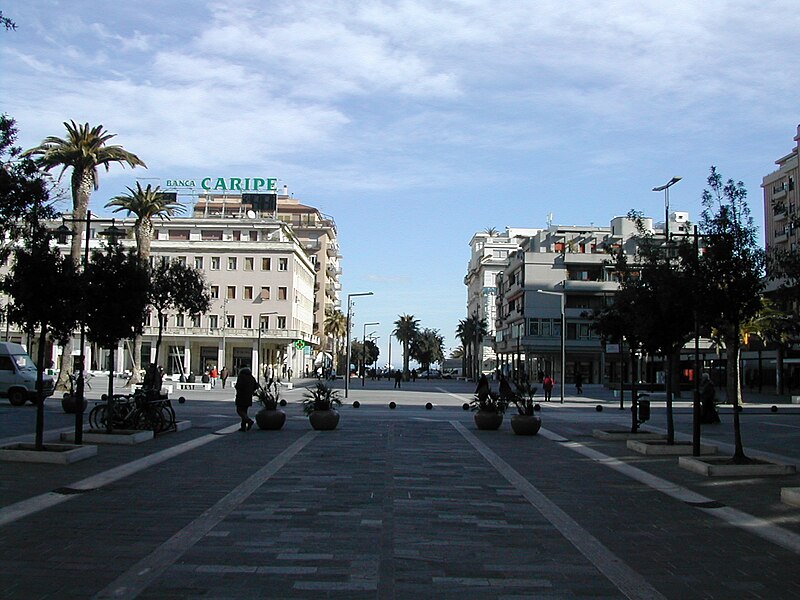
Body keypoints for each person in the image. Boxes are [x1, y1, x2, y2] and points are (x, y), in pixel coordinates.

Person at [234, 367, 258, 431]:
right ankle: (243, 426)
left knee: (239, 410)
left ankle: (249, 421)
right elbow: (256, 386)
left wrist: (236, 387)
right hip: (248, 396)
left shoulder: (241, 377)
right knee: (245, 411)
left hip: (241, 396)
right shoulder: (252, 377)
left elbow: (238, 386)